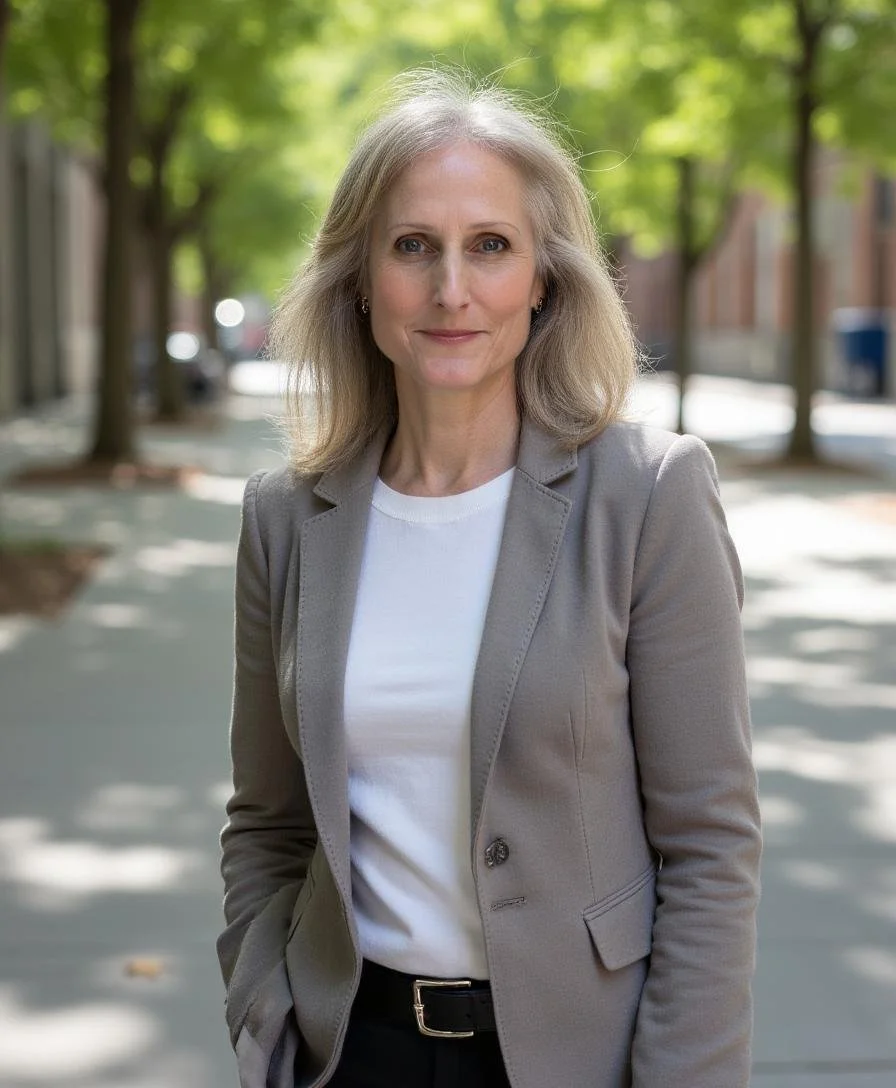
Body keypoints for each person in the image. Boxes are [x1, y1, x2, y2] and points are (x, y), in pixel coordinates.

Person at [217, 68, 761, 1088]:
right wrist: (263, 1011)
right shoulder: (285, 521)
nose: (450, 289)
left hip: (578, 1054)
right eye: (412, 245)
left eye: (490, 246)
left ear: (543, 279)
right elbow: (267, 822)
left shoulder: (646, 495)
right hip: (349, 1050)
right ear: (359, 277)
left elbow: (709, 846)